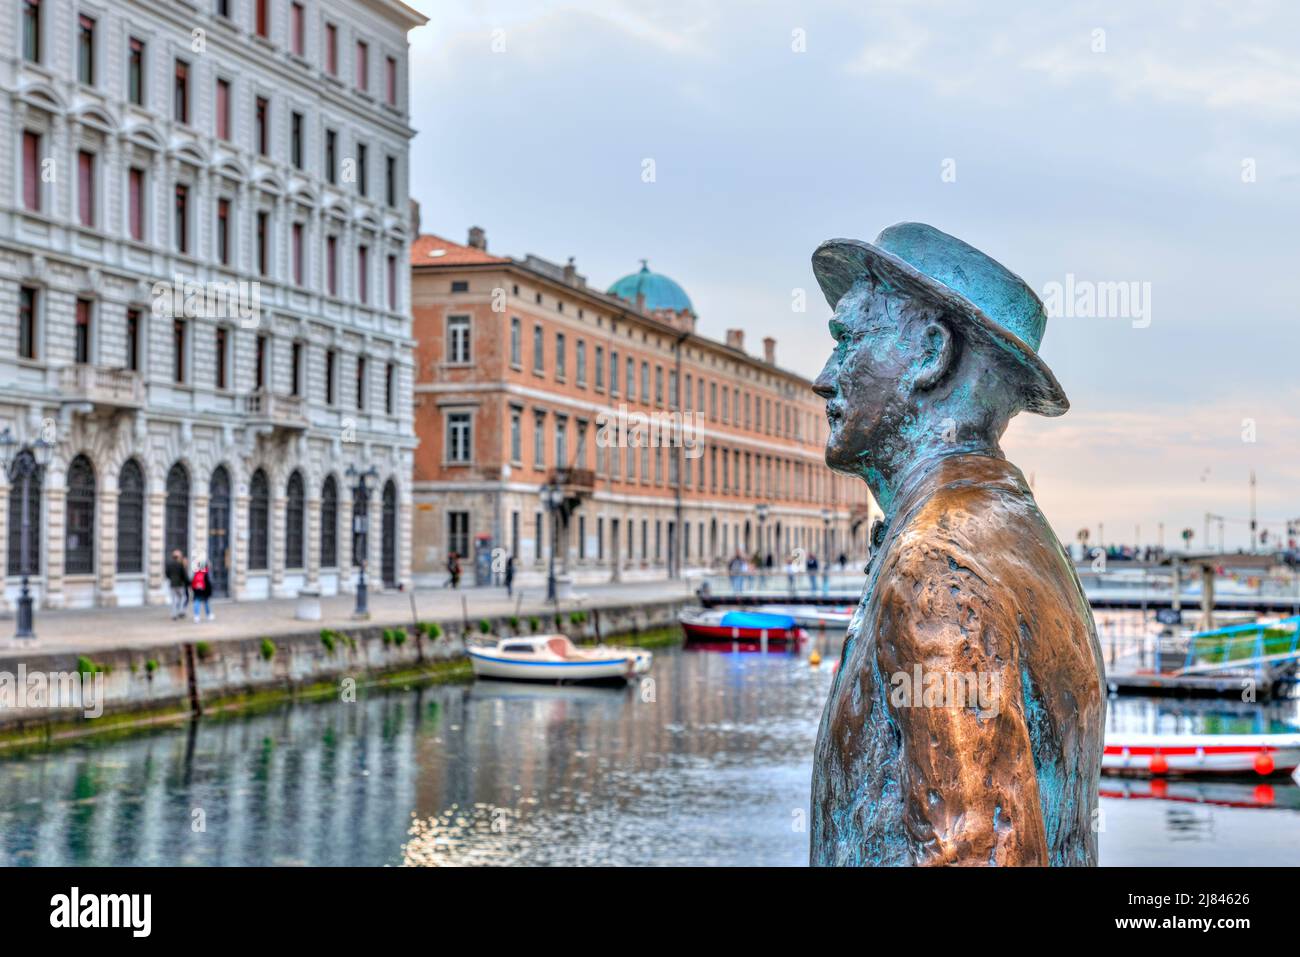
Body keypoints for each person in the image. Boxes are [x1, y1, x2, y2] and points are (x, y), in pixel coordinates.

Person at [808, 223, 1103, 867]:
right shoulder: (1019, 534)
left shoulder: (934, 567)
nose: (823, 379)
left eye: (847, 342)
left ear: (929, 355)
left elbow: (978, 852)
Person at [165, 550, 188, 620]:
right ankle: (181, 611)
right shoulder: (180, 565)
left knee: (174, 600)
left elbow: (167, 574)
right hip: (180, 584)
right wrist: (187, 582)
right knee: (183, 598)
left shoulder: (169, 564)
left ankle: (174, 614)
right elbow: (183, 575)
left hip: (172, 584)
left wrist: (171, 579)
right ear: (178, 557)